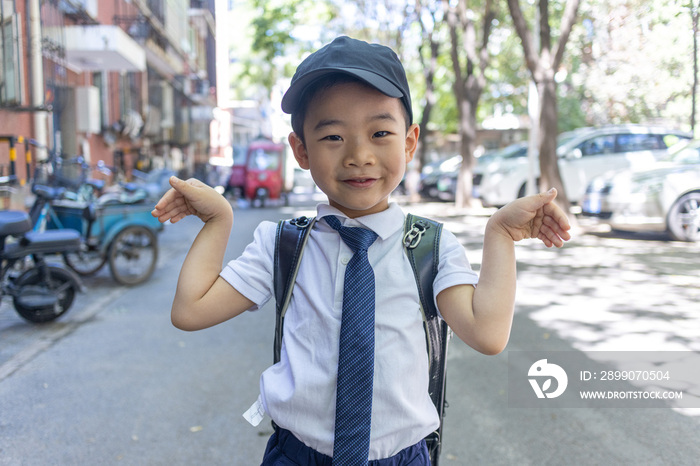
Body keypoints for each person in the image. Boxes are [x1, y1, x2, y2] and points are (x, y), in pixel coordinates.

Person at [151, 36, 571, 466]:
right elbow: (190, 311)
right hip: (299, 457)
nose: (358, 154)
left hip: (401, 458)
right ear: (301, 151)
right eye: (333, 136)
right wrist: (219, 221)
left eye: (380, 132)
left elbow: (487, 333)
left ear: (409, 142)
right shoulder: (282, 244)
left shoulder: (429, 246)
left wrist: (499, 235)